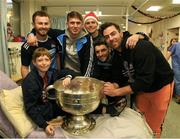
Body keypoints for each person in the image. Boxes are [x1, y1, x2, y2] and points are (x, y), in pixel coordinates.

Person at [100, 22, 174, 138]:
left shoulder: (140, 47)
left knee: (154, 125)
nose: (111, 38)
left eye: (113, 34)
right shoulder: (116, 54)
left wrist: (116, 92)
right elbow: (117, 76)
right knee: (139, 119)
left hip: (160, 86)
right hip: (141, 90)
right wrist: (114, 85)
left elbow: (145, 81)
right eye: (107, 37)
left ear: (120, 33)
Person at [22, 47, 75, 136]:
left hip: (52, 106)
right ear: (34, 63)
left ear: (50, 62)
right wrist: (44, 125)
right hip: (42, 111)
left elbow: (70, 71)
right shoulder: (30, 81)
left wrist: (68, 76)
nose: (44, 63)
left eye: (46, 60)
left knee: (74, 106)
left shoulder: (51, 72)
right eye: (40, 60)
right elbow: (30, 108)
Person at [21, 11, 60, 79]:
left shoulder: (55, 39)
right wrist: (27, 85)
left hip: (54, 79)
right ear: (33, 24)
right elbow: (25, 67)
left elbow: (57, 57)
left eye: (46, 23)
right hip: (37, 81)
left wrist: (59, 75)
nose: (43, 26)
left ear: (49, 24)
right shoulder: (27, 45)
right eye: (40, 23)